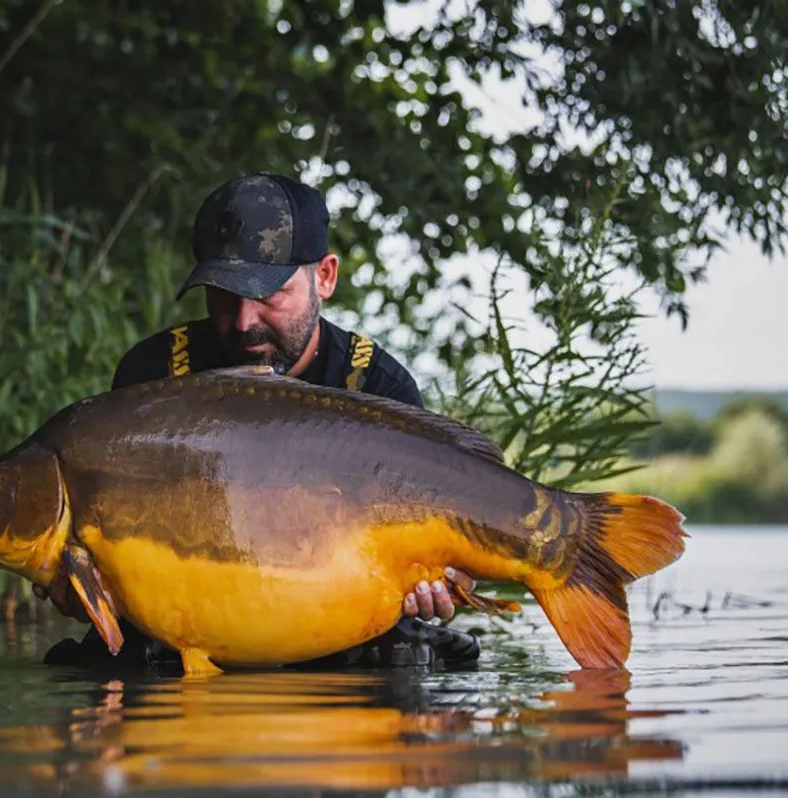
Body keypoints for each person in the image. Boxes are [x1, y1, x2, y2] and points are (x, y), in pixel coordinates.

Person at [42, 171, 482, 671]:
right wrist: (79, 583)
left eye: (268, 293)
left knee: (407, 658)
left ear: (325, 277)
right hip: (188, 621)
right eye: (224, 296)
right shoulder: (155, 377)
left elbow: (447, 561)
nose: (244, 321)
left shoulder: (377, 386)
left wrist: (443, 584)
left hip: (330, 618)